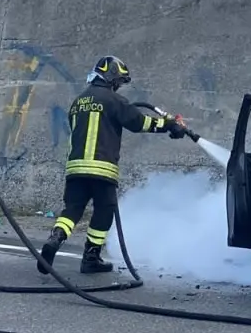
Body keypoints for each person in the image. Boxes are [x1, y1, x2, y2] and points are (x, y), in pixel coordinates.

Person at [38, 55, 190, 275]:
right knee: (104, 210)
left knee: (72, 209)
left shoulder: (78, 101)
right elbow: (139, 123)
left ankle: (55, 238)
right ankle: (91, 257)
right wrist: (169, 125)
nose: (118, 86)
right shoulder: (113, 101)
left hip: (75, 169)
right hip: (101, 169)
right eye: (118, 81)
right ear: (110, 78)